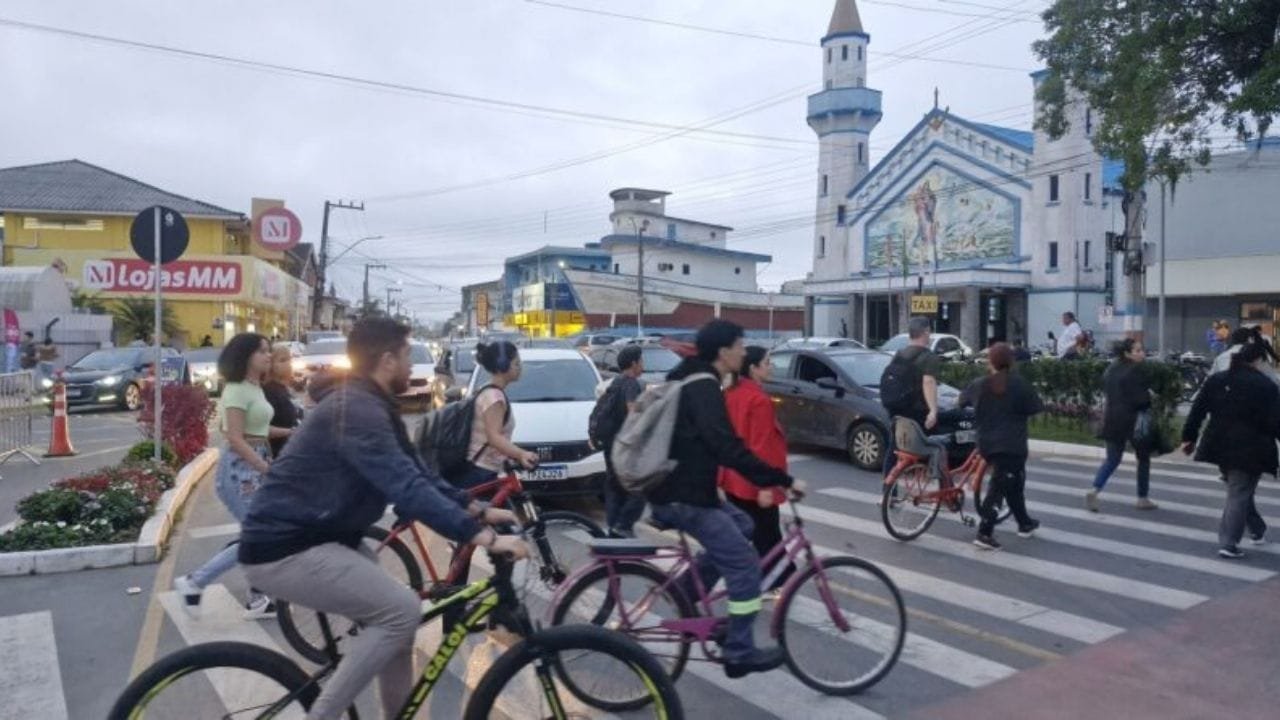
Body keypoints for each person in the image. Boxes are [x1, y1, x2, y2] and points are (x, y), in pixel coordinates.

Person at [238, 317, 525, 719]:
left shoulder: (368, 403)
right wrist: (486, 539)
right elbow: (405, 487)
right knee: (401, 612)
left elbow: (418, 474)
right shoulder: (356, 409)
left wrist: (475, 507)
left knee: (400, 622)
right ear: (387, 359)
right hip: (284, 547)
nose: (412, 367)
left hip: (323, 537)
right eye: (408, 356)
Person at [647, 320, 802, 679]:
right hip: (683, 497)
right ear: (723, 351)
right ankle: (739, 651)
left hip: (685, 490)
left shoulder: (691, 376)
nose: (745, 352)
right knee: (746, 565)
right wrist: (780, 479)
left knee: (744, 524)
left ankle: (685, 593)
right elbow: (727, 446)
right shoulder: (703, 386)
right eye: (740, 345)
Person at [174, 333, 294, 620]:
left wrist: (291, 432)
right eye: (262, 352)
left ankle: (257, 598)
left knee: (257, 535)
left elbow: (259, 431)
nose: (268, 356)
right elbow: (235, 438)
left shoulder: (255, 388)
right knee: (257, 536)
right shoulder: (237, 390)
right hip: (240, 470)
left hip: (256, 464)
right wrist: (264, 467)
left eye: (268, 351)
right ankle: (194, 582)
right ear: (245, 356)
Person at [1182, 342, 1280, 558]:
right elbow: (1276, 422)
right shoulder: (1266, 386)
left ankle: (1256, 529)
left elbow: (1197, 410)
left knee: (1240, 489)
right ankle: (1228, 543)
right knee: (1240, 491)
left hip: (1219, 444)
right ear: (1259, 360)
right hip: (1252, 447)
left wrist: (1188, 437)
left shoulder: (1218, 379)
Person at [959, 343, 1045, 550]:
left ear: (990, 362)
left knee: (1013, 483)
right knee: (999, 487)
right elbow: (1036, 409)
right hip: (1011, 445)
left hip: (986, 444)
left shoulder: (979, 384)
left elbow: (961, 402)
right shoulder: (1020, 385)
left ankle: (1024, 523)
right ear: (1011, 362)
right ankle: (984, 533)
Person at [718, 346, 791, 586]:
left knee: (751, 533)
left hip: (734, 478)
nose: (771, 366)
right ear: (754, 368)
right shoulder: (758, 399)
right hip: (755, 482)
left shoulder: (731, 392)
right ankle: (774, 580)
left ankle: (773, 577)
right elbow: (761, 446)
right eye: (767, 362)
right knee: (766, 534)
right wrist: (766, 486)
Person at [1086, 338, 1157, 512]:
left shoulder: (1111, 370)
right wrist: (1150, 398)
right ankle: (1142, 498)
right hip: (1135, 420)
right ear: (1127, 353)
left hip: (1112, 418)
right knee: (1143, 458)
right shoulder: (1136, 371)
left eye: (1142, 350)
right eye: (1138, 350)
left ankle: (1094, 489)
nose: (1142, 353)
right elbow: (1141, 400)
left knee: (1112, 459)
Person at [457, 341, 538, 488]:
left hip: (486, 468)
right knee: (501, 512)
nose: (520, 368)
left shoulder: (487, 390)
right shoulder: (494, 398)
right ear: (502, 367)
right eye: (516, 364)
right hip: (482, 472)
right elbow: (494, 438)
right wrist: (521, 454)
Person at [881, 317, 946, 485]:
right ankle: (943, 488)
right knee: (941, 445)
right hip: (917, 411)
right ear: (925, 333)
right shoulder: (928, 356)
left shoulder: (899, 354)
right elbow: (928, 382)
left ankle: (888, 490)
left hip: (897, 409)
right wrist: (933, 410)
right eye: (929, 331)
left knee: (893, 448)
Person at [600, 345, 647, 537]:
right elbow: (632, 414)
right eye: (641, 360)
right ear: (634, 363)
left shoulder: (615, 382)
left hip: (610, 443)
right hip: (624, 445)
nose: (643, 365)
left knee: (614, 487)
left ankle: (613, 528)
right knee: (640, 487)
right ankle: (624, 525)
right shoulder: (631, 383)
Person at [263, 344, 300, 458]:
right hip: (278, 453)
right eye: (282, 360)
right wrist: (291, 432)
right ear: (271, 364)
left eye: (289, 359)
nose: (288, 363)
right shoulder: (269, 391)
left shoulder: (284, 387)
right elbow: (262, 428)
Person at [1212, 326, 1280, 386]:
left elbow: (1209, 382)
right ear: (1250, 340)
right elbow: (1274, 382)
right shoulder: (1255, 356)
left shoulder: (1220, 358)